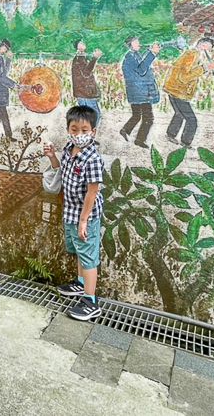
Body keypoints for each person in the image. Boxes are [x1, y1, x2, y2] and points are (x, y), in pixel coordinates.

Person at [42, 105, 106, 321]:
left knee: (88, 256)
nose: (79, 134)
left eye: (84, 130)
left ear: (93, 131)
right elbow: (61, 172)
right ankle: (80, 284)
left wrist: (84, 220)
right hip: (70, 211)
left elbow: (92, 192)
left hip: (85, 215)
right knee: (79, 250)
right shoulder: (68, 149)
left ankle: (91, 302)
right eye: (75, 129)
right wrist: (52, 157)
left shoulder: (93, 159)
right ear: (68, 129)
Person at [163, 37, 214, 148]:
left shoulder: (191, 53)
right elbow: (184, 77)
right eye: (207, 47)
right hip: (179, 91)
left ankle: (171, 134)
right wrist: (204, 68)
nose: (207, 50)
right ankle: (186, 142)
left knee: (179, 114)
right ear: (202, 44)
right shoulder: (192, 54)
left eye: (209, 49)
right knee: (192, 120)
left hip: (173, 89)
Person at [120, 36, 160, 149]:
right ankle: (140, 140)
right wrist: (152, 54)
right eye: (135, 42)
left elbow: (143, 63)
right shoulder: (129, 57)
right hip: (139, 92)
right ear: (130, 44)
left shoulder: (135, 55)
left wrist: (149, 51)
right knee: (148, 118)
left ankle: (125, 130)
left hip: (137, 91)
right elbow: (141, 69)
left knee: (137, 115)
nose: (138, 43)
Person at [72, 40, 103, 121]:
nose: (84, 44)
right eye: (81, 43)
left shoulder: (79, 57)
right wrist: (95, 57)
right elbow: (86, 72)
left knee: (85, 117)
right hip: (86, 92)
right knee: (95, 115)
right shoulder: (80, 57)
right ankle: (90, 133)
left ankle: (86, 132)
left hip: (81, 92)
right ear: (78, 47)